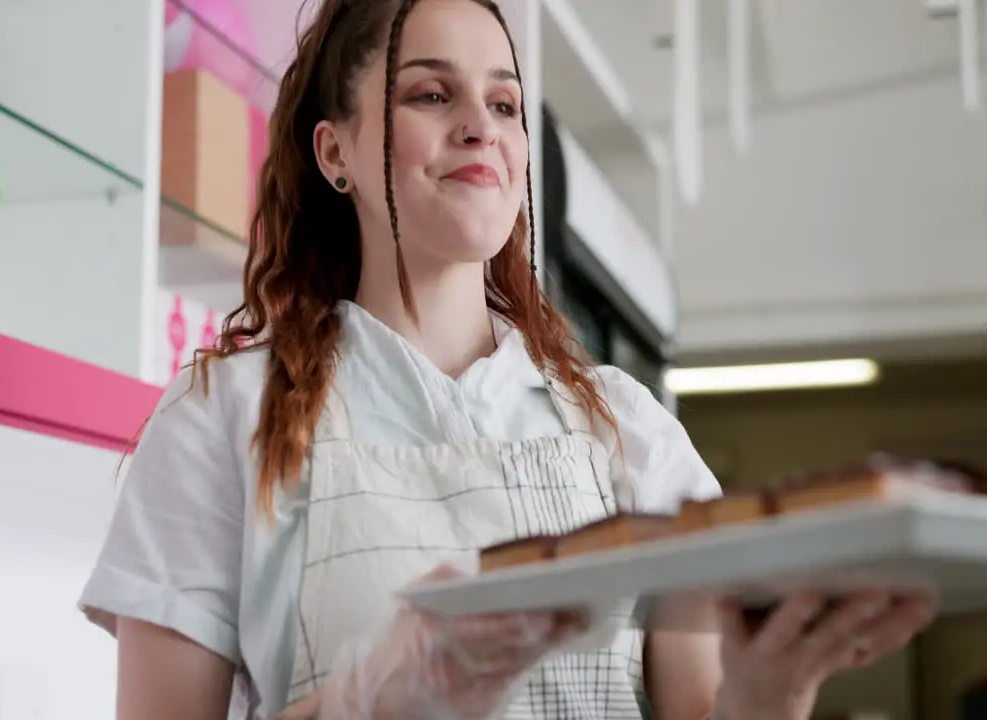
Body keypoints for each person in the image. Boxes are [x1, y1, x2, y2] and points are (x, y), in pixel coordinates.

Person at [78, 0, 934, 718]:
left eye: (504, 105)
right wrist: (366, 701)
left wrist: (766, 697)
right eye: (430, 93)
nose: (478, 128)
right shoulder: (221, 423)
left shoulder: (629, 430)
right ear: (335, 152)